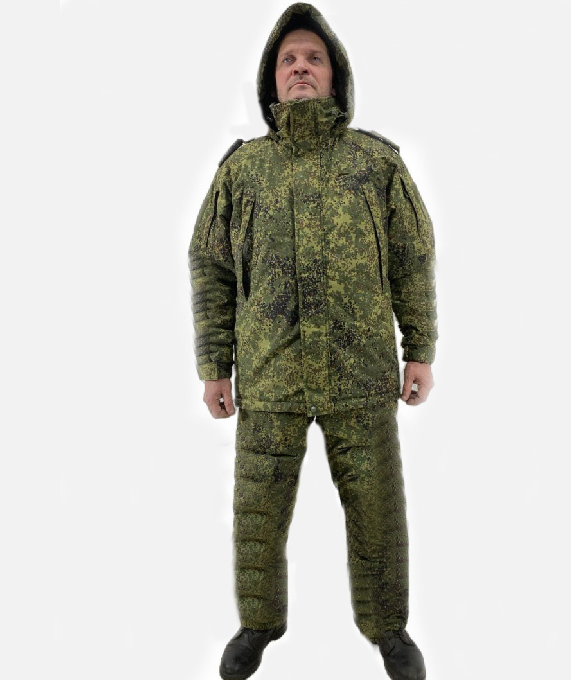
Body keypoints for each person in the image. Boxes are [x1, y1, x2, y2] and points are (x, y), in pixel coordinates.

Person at [188, 4, 437, 679]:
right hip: (269, 374)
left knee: (378, 511)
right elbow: (211, 266)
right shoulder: (244, 171)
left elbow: (413, 258)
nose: (301, 67)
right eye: (288, 60)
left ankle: (390, 630)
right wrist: (215, 366)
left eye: (314, 58)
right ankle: (257, 624)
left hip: (362, 372)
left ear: (336, 76)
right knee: (257, 514)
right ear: (272, 80)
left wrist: (419, 349)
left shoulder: (375, 164)